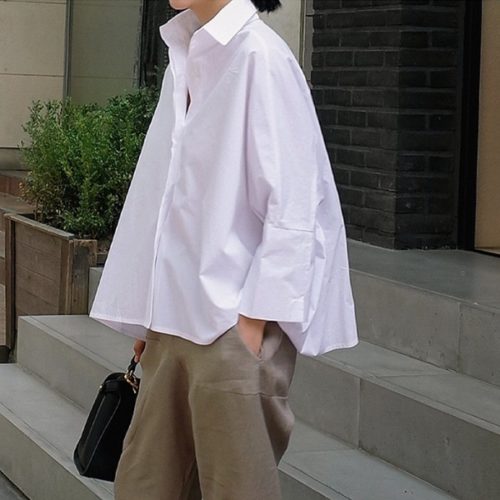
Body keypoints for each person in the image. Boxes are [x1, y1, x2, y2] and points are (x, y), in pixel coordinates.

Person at [88, 0, 359, 498]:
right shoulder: (187, 52)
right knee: (144, 485)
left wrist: (252, 324)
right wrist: (148, 310)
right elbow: (167, 197)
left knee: (236, 489)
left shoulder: (261, 57)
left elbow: (295, 202)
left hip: (229, 326)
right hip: (171, 322)